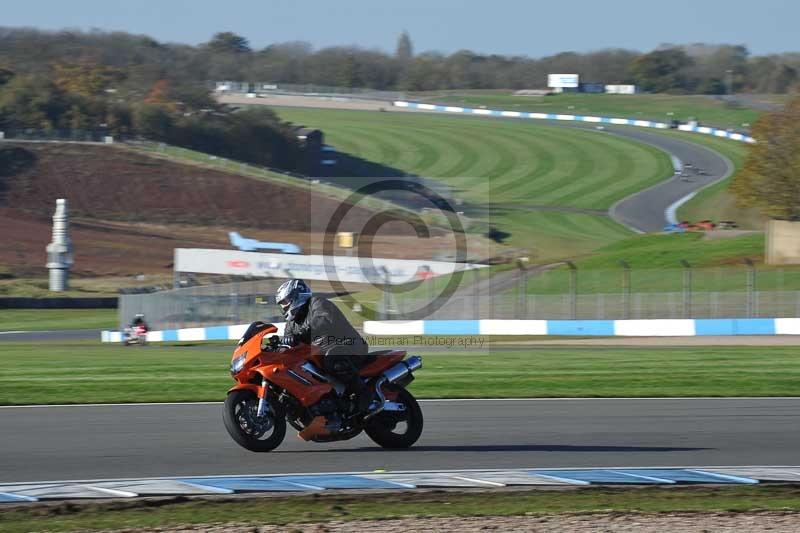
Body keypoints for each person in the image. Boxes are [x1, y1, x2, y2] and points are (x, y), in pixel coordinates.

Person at [276, 279, 371, 418]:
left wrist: (300, 335)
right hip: (323, 352)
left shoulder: (318, 303)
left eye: (286, 301)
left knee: (332, 357)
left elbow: (323, 321)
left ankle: (363, 393)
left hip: (350, 346)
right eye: (282, 304)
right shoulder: (292, 323)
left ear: (297, 296)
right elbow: (288, 340)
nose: (284, 306)